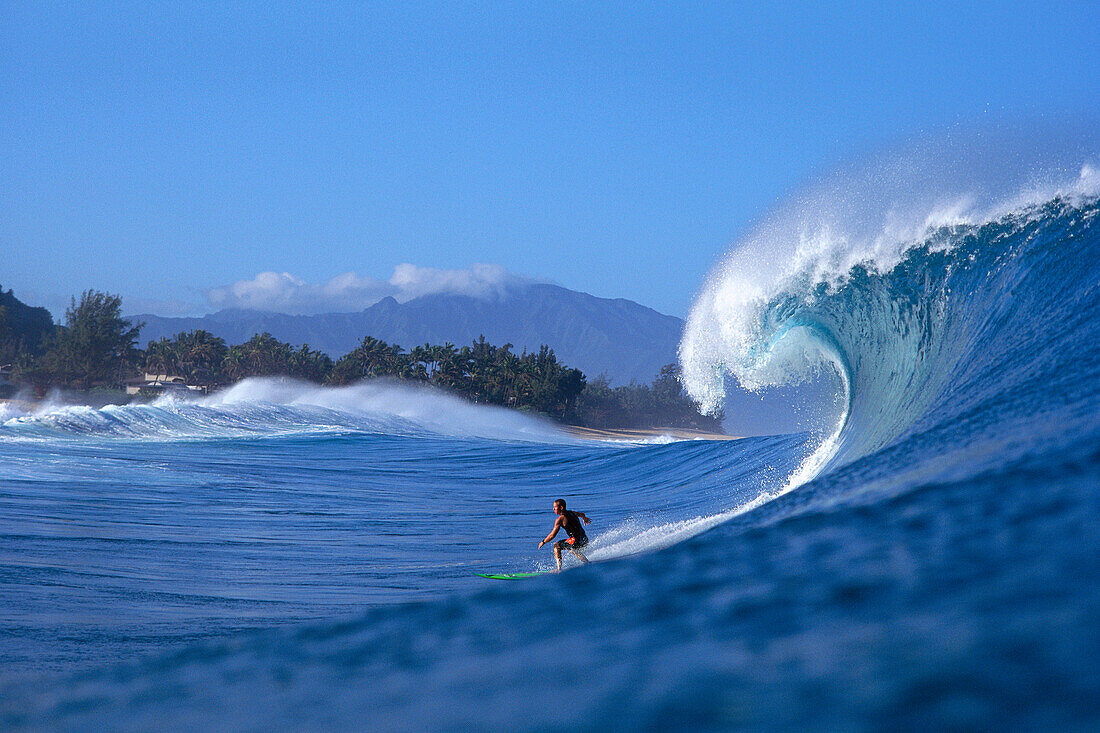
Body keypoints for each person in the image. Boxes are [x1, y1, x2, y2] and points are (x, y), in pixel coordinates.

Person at [538, 498, 591, 571]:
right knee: (573, 549)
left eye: (555, 507)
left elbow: (552, 535)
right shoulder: (573, 513)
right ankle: (588, 563)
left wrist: (543, 542)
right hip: (584, 539)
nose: (553, 509)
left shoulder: (560, 519)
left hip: (576, 541)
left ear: (561, 507)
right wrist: (584, 518)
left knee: (556, 545)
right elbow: (582, 514)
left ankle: (559, 569)